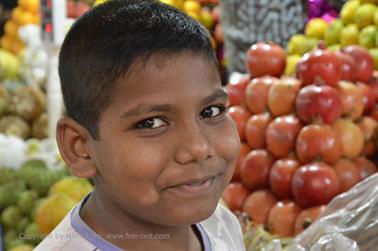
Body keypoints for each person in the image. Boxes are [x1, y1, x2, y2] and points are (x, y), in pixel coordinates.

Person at [35, 0, 244, 250]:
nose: (198, 147)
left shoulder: (221, 225)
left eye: (211, 111)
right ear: (79, 147)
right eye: (151, 123)